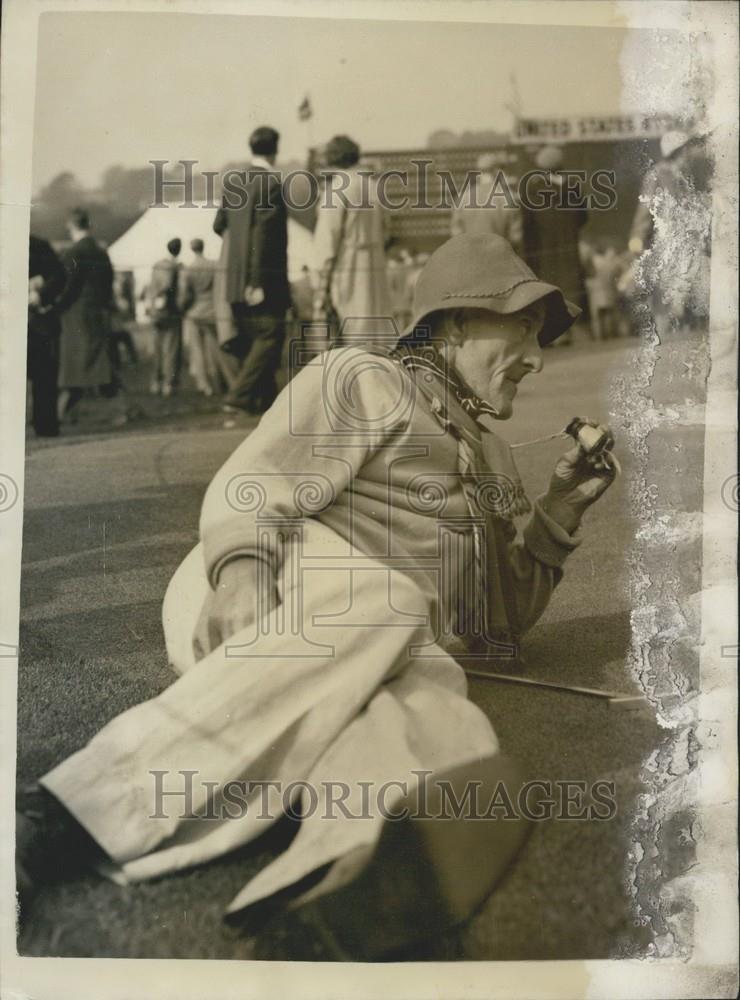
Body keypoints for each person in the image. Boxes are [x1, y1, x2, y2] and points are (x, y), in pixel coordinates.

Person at [17, 234, 618, 961]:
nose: (538, 356)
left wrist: (560, 509)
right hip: (269, 582)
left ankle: (338, 891)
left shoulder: (491, 456)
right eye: (523, 327)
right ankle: (61, 815)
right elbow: (259, 480)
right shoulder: (364, 379)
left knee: (443, 719)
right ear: (455, 323)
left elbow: (499, 624)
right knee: (388, 603)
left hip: (380, 641)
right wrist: (241, 573)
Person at [214, 125, 290, 416]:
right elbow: (266, 238)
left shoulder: (233, 182)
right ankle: (239, 396)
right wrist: (257, 281)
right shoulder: (271, 184)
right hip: (262, 281)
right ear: (275, 150)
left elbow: (218, 225)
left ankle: (266, 404)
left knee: (253, 341)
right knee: (271, 336)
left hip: (233, 281)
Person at [313, 134, 392, 347]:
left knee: (352, 334)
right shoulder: (373, 187)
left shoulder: (337, 189)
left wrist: (320, 282)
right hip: (375, 265)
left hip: (349, 266)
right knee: (378, 332)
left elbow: (327, 242)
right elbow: (387, 230)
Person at [55, 209, 121, 422]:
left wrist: (56, 306)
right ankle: (117, 411)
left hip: (76, 314)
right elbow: (109, 281)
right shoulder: (101, 251)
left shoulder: (74, 252)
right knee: (97, 362)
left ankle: (62, 415)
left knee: (73, 368)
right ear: (88, 224)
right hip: (97, 312)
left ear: (70, 226)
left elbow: (69, 287)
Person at [520, 146, 588, 346]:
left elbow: (527, 223)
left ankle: (551, 334)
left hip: (544, 252)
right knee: (570, 288)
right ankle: (570, 331)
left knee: (548, 290)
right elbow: (583, 218)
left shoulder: (532, 190)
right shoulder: (573, 187)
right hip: (568, 249)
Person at [178, 238, 228, 396]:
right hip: (212, 311)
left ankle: (204, 385)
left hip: (195, 312)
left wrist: (184, 307)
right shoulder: (214, 265)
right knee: (215, 349)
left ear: (192, 249)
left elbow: (185, 295)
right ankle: (219, 380)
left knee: (197, 350)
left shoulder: (189, 270)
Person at [27, 235, 66, 437]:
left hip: (37, 320)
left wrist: (40, 294)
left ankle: (45, 425)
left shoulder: (37, 245)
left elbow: (59, 275)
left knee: (43, 373)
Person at [450, 154, 522, 251]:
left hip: (471, 258)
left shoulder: (463, 197)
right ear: (497, 171)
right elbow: (516, 237)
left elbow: (456, 234)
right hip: (499, 257)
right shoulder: (509, 198)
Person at [147, 238, 183, 397]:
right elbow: (178, 290)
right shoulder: (177, 267)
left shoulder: (157, 265)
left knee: (157, 348)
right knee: (171, 349)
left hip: (156, 312)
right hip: (171, 312)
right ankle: (169, 383)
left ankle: (156, 382)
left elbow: (151, 287)